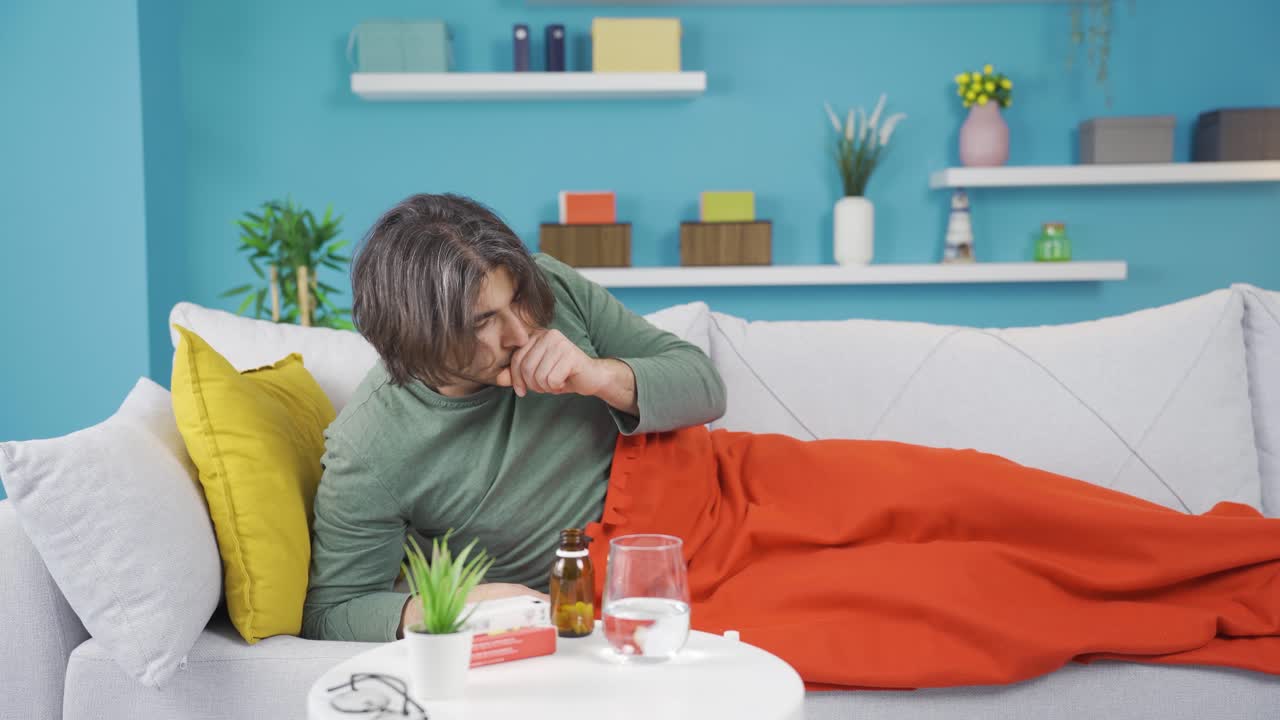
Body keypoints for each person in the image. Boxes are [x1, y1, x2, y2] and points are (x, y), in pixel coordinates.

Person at [303, 193, 1280, 690]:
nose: (516, 334)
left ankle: (1243, 561)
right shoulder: (371, 446)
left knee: (989, 495)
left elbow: (703, 385)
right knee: (960, 599)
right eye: (481, 324)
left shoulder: (550, 293)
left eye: (517, 303)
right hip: (654, 581)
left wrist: (608, 378)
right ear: (410, 334)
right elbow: (333, 602)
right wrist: (460, 603)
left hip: (731, 480)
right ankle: (1204, 616)